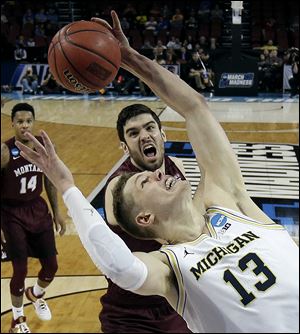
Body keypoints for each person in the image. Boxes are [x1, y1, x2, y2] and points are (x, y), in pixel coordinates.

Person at [16, 11, 299, 333]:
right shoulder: (170, 266)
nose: (157, 174)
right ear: (145, 218)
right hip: (134, 317)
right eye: (143, 181)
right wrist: (66, 184)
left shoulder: (229, 202)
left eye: (151, 128)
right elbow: (121, 268)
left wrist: (131, 59)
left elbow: (195, 108)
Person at [100, 103, 189, 333]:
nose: (144, 136)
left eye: (150, 128)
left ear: (162, 134)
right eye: (133, 133)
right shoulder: (117, 189)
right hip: (131, 310)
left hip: (174, 301)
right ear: (124, 147)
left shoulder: (176, 166)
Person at [1, 103, 66, 333]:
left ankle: (35, 294)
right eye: (19, 121)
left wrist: (57, 211)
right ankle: (18, 319)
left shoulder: (44, 148)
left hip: (38, 209)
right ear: (12, 124)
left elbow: (49, 179)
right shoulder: (5, 151)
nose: (24, 125)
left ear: (34, 122)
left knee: (52, 265)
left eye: (28, 121)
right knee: (20, 269)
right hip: (11, 213)